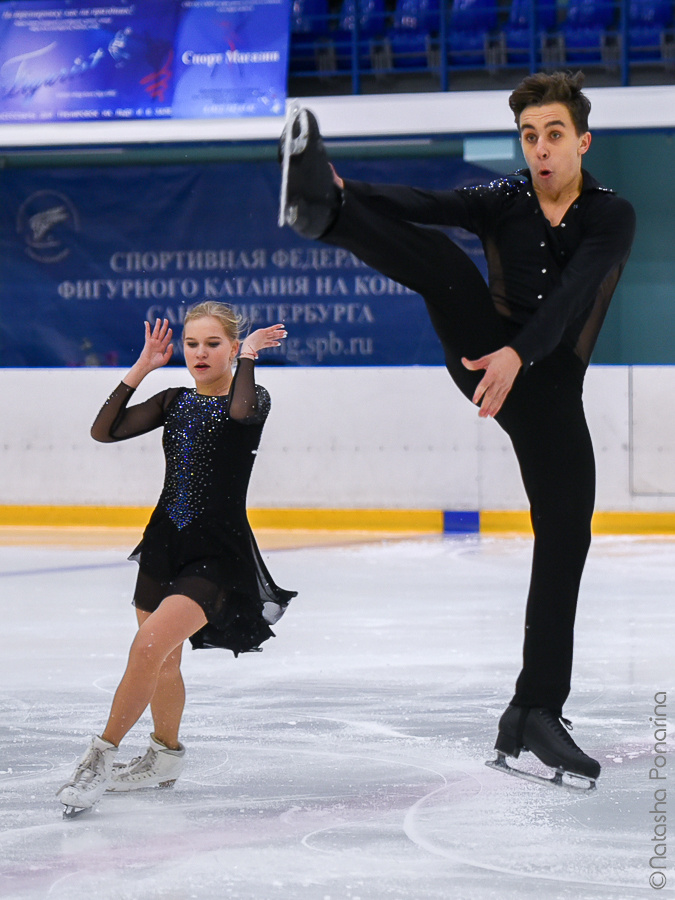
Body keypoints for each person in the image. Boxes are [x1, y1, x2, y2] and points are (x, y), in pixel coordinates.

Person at [279, 71, 635, 785]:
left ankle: (531, 712)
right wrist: (346, 194)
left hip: (547, 383)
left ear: (581, 141)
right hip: (484, 357)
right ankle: (321, 213)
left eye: (553, 134)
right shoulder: (503, 198)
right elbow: (426, 204)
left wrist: (521, 353)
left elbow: (570, 300)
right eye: (528, 135)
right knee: (441, 261)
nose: (538, 148)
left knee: (566, 538)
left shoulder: (609, 215)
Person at [58, 302, 296, 815]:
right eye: (192, 345)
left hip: (218, 552)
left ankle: (98, 758)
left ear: (233, 347)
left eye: (214, 344)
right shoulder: (172, 400)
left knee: (147, 646)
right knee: (163, 659)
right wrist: (142, 368)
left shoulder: (253, 397)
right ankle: (165, 755)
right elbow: (105, 431)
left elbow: (238, 413)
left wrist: (250, 357)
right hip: (165, 542)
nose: (200, 354)